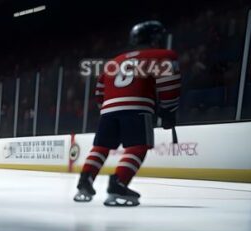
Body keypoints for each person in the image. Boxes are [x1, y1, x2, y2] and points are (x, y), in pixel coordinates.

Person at [74, 20, 181, 207]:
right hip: (138, 108)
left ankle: (85, 180)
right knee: (138, 146)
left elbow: (99, 89)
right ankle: (119, 183)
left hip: (108, 110)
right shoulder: (162, 55)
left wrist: (106, 109)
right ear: (155, 39)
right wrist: (168, 109)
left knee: (101, 147)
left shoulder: (113, 62)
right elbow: (169, 83)